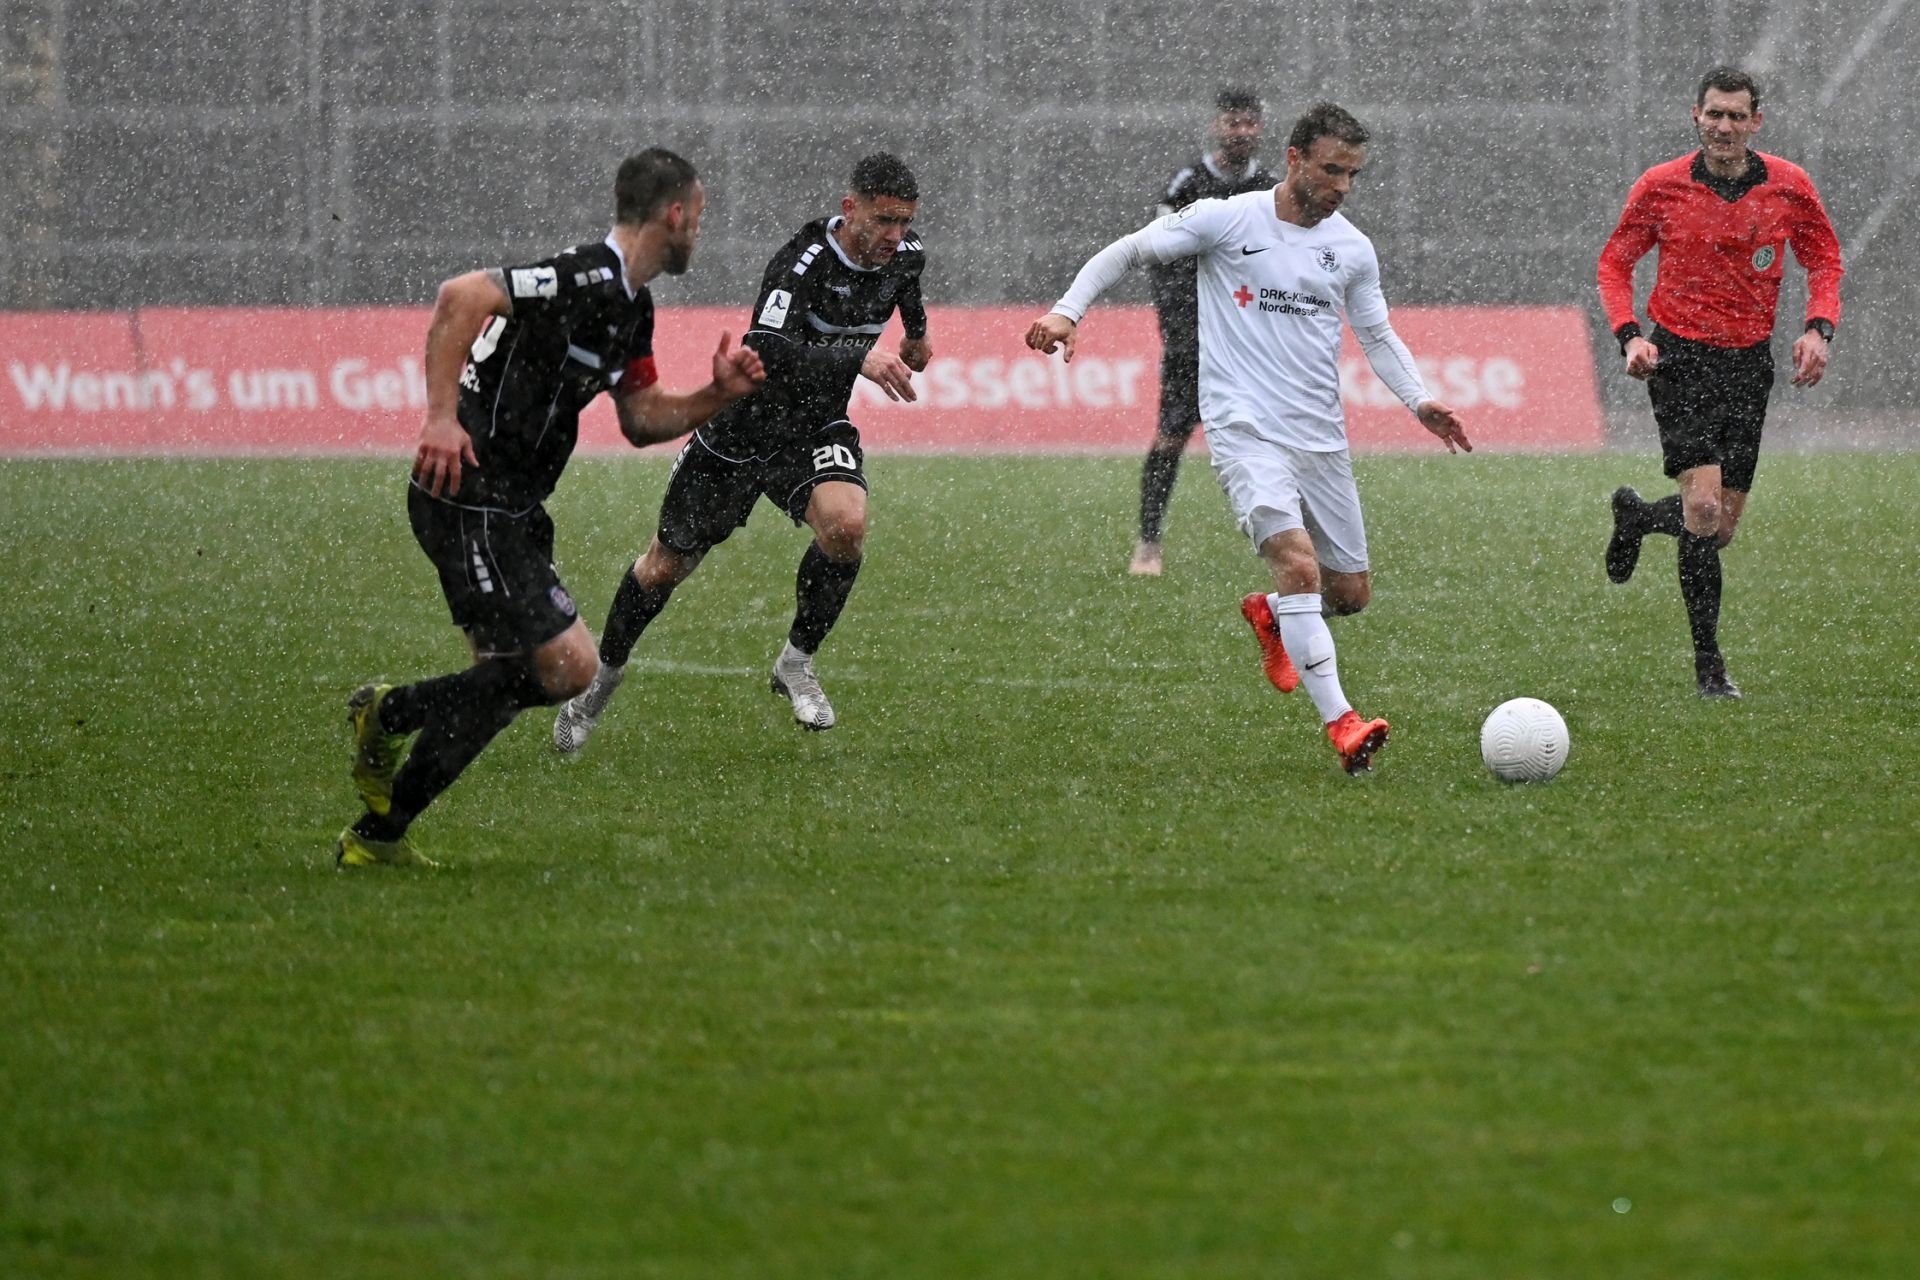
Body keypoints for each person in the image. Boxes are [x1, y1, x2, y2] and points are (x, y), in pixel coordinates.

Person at [334, 148, 765, 867]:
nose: (700, 230)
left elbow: (641, 419)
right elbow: (461, 296)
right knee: (567, 668)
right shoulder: (584, 276)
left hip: (513, 509)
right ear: (675, 214)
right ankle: (387, 711)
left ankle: (377, 839)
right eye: (699, 216)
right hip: (470, 495)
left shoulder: (632, 308)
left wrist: (715, 396)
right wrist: (440, 417)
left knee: (500, 685)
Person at [1025, 103, 1470, 775]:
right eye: (1331, 170)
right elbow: (1131, 249)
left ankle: (1273, 614)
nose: (1342, 187)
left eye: (1352, 174)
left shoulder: (1352, 248)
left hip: (1319, 437)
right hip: (1244, 429)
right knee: (1298, 564)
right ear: (1294, 159)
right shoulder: (1227, 218)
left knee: (1349, 595)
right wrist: (1067, 311)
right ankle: (1343, 723)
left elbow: (1377, 334)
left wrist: (1420, 400)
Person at [552, 152, 929, 752]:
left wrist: (916, 334)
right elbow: (767, 351)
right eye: (883, 220)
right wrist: (859, 357)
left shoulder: (904, 255)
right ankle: (601, 681)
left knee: (846, 529)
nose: (895, 235)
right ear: (849, 208)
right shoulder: (801, 262)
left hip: (814, 428)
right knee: (664, 568)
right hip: (742, 428)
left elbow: (907, 283)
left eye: (904, 221)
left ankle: (796, 663)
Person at [1598, 66, 1843, 699]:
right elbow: (1615, 263)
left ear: (1756, 122)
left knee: (1721, 527)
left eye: (1737, 116)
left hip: (1748, 365)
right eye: (1715, 114)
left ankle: (1638, 517)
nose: (1724, 126)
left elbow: (1824, 258)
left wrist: (1818, 328)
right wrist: (1631, 335)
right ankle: (1710, 667)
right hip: (1680, 358)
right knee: (1703, 510)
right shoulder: (1661, 185)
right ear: (1696, 116)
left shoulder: (1788, 185)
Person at [1131, 86, 1278, 577]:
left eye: (1249, 123)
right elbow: (1159, 256)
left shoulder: (1271, 188)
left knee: (1271, 442)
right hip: (1193, 341)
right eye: (1233, 123)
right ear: (1217, 126)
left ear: (1260, 128)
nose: (1241, 132)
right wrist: (1179, 326)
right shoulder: (1187, 184)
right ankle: (1148, 543)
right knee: (1171, 438)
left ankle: (1283, 542)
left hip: (1251, 345)